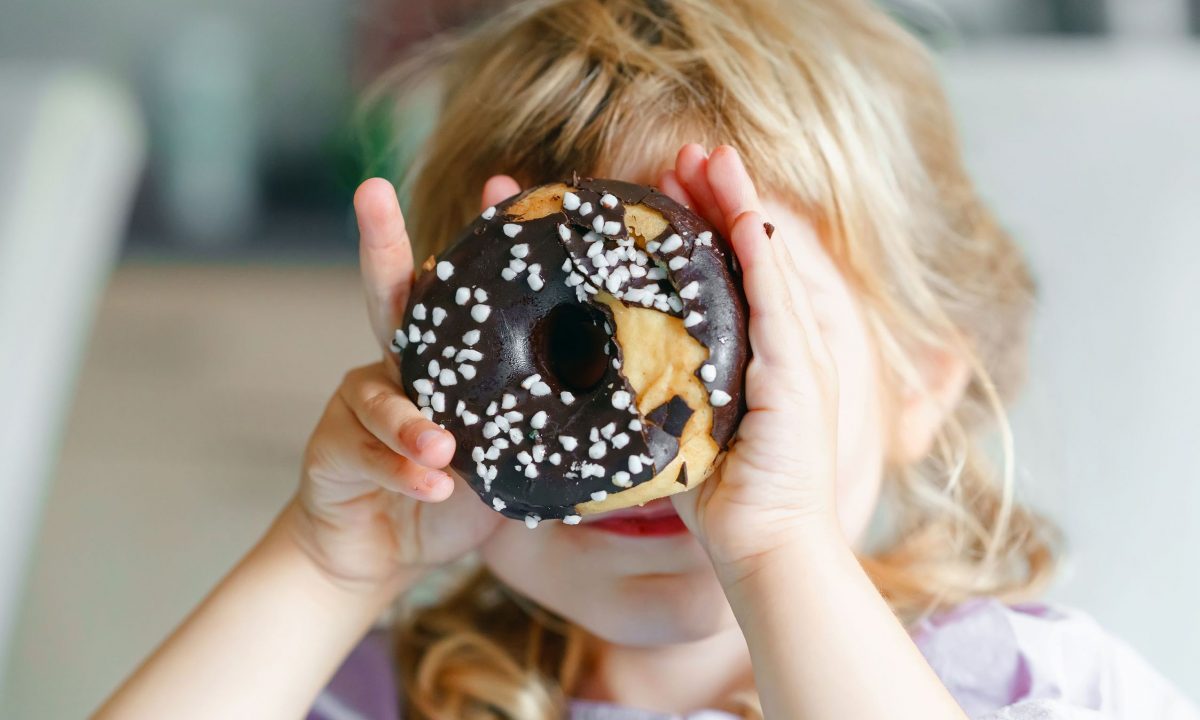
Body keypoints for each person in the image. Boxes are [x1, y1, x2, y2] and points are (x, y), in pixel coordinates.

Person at [97, 1, 1199, 718]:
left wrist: (779, 558)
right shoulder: (382, 698)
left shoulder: (1023, 691)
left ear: (923, 383)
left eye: (753, 333)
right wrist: (326, 568)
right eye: (574, 343)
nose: (643, 422)